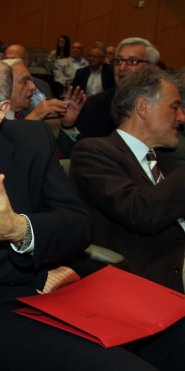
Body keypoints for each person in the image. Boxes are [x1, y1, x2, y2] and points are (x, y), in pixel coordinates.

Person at [0, 51, 185, 370]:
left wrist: (20, 231)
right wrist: (36, 244)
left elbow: (80, 225)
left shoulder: (31, 139)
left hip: (74, 286)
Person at [71, 68, 185, 293]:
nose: (182, 117)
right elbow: (142, 212)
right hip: (143, 280)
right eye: (175, 107)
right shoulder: (93, 153)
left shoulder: (169, 164)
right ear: (143, 107)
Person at [76, 37, 160, 139]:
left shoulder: (162, 105)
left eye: (133, 61)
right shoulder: (94, 105)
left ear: (150, 67)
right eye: (119, 61)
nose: (122, 67)